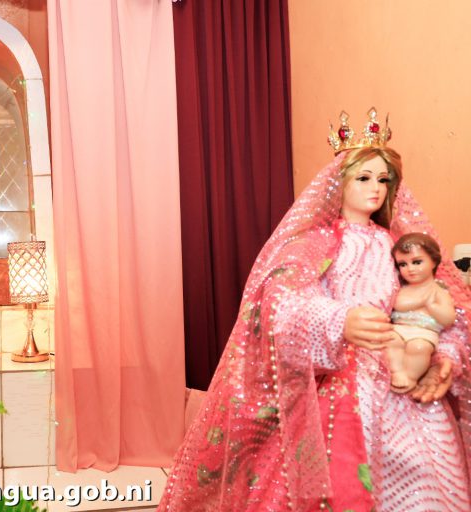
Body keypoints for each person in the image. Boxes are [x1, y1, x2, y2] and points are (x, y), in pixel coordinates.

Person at [159, 110, 471, 511]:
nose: (375, 189)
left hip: (401, 371)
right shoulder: (316, 244)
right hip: (342, 378)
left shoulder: (399, 245)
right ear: (338, 183)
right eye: (363, 178)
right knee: (338, 469)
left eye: (383, 179)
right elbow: (281, 301)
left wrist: (445, 355)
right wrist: (339, 321)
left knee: (424, 466)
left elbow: (444, 300)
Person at [386, 233, 457, 392]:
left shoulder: (439, 291)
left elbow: (448, 319)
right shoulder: (405, 289)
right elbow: (399, 304)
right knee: (390, 340)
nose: (410, 269)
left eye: (417, 262)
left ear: (434, 261)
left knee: (418, 348)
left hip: (425, 332)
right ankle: (397, 372)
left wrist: (433, 307)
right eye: (403, 264)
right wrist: (422, 301)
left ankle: (411, 377)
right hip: (400, 327)